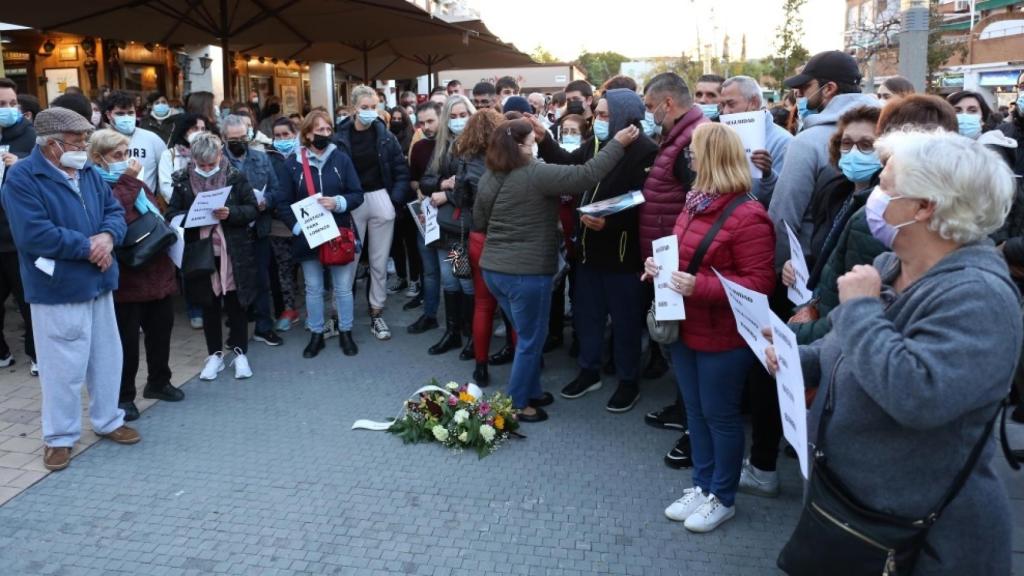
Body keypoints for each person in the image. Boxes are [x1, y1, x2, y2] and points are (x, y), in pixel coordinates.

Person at [766, 129, 1020, 574]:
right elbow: (846, 351)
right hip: (851, 511)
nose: (874, 198)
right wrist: (795, 360)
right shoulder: (891, 265)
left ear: (926, 207)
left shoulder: (979, 295)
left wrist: (860, 307)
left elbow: (918, 396)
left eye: (887, 186)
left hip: (918, 540)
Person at [645, 122, 776, 533]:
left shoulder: (749, 215)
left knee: (720, 417)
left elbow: (760, 283)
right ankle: (703, 486)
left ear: (712, 158)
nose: (689, 158)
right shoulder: (694, 202)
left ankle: (723, 496)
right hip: (688, 326)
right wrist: (658, 267)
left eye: (694, 152)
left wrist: (699, 286)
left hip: (724, 334)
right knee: (697, 415)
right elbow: (683, 254)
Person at [475, 118, 640, 423]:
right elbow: (586, 175)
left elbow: (479, 221)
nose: (535, 145)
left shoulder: (490, 175)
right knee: (530, 340)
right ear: (523, 146)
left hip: (493, 270)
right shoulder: (536, 173)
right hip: (526, 273)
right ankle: (518, 403)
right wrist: (617, 144)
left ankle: (532, 390)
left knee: (524, 334)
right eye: (531, 141)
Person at [2, 107, 140, 472]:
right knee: (62, 367)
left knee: (107, 357)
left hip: (99, 281)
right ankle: (59, 437)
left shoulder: (87, 171)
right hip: (57, 286)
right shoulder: (22, 178)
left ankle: (109, 420)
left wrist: (109, 238)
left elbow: (113, 210)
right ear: (51, 145)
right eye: (77, 141)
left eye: (84, 139)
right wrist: (89, 247)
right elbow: (33, 234)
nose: (83, 147)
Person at [536, 89, 658, 413]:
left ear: (624, 116)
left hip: (621, 255)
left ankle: (628, 381)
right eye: (597, 114)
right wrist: (544, 142)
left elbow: (644, 201)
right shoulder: (595, 143)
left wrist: (612, 224)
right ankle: (588, 371)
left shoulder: (645, 150)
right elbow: (570, 165)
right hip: (588, 251)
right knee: (587, 318)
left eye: (604, 115)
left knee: (626, 323)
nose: (598, 120)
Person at [89, 129, 183, 422]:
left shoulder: (134, 182)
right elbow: (119, 215)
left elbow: (153, 210)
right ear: (97, 158)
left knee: (160, 331)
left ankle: (158, 381)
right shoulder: (96, 184)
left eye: (127, 153)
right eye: (117, 155)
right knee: (126, 342)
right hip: (127, 276)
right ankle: (124, 395)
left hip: (156, 268)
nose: (126, 160)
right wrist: (129, 179)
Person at [638, 73, 708, 450]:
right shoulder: (677, 135)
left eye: (650, 107)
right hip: (667, 254)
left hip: (680, 259)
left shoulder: (692, 140)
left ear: (668, 103)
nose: (648, 115)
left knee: (683, 342)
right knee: (676, 345)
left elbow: (695, 200)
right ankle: (683, 409)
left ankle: (691, 422)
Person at [769, 50, 880, 275]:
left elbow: (784, 215)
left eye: (804, 89)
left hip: (806, 268)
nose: (799, 96)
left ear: (828, 89)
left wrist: (779, 266)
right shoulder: (887, 128)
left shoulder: (806, 142)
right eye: (847, 144)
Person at [167, 132, 259, 380]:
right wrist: (192, 216)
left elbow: (252, 209)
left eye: (211, 164)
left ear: (220, 155)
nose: (206, 169)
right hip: (200, 251)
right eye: (201, 165)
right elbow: (172, 214)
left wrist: (231, 213)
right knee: (208, 304)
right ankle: (214, 356)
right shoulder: (183, 180)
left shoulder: (235, 177)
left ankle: (240, 354)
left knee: (235, 303)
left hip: (234, 251)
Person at [277, 110, 364, 358]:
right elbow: (283, 201)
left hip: (339, 233)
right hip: (308, 236)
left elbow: (357, 194)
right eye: (319, 130)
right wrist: (297, 228)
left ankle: (346, 331)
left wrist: (338, 202)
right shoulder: (292, 163)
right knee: (314, 288)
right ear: (307, 133)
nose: (325, 134)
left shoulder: (341, 159)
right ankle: (316, 334)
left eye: (328, 129)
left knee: (343, 288)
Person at [427, 108, 506, 384]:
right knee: (464, 284)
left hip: (463, 234)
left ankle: (470, 339)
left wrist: (447, 191)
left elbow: (460, 197)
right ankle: (460, 334)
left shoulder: (466, 159)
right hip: (474, 235)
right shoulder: (507, 158)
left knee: (465, 285)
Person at [334, 86, 411, 341]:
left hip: (380, 196)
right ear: (354, 107)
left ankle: (376, 313)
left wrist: (393, 201)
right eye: (364, 107)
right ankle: (339, 315)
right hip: (351, 200)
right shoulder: (339, 136)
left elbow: (401, 171)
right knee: (347, 261)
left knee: (379, 263)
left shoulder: (385, 136)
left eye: (374, 107)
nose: (369, 112)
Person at [419, 94, 478, 357]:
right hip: (444, 226)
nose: (458, 121)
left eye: (462, 114)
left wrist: (449, 194)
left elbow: (477, 188)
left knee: (464, 280)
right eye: (452, 117)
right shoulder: (442, 146)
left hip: (463, 228)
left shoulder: (480, 146)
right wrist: (444, 184)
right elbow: (426, 182)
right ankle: (453, 332)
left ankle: (472, 333)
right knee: (448, 279)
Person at [222, 114, 283, 347]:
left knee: (261, 278)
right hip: (231, 229)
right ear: (224, 139)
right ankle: (236, 332)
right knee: (233, 281)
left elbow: (277, 190)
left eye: (243, 137)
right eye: (233, 139)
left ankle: (263, 326)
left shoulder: (261, 158)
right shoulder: (219, 162)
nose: (239, 142)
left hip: (259, 227)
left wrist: (266, 200)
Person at [0, 78, 37, 374]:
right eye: (1, 105)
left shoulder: (31, 137)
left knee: (27, 299)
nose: (9, 109)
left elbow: (46, 172)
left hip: (17, 235)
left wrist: (20, 164)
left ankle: (37, 353)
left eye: (12, 104)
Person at [719, 75, 793, 206]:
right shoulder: (723, 137)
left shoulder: (784, 142)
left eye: (731, 104)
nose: (725, 112)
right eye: (722, 106)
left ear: (754, 103)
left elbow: (785, 200)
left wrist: (768, 175)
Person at [407, 101, 444, 331]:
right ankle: (430, 315)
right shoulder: (419, 147)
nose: (426, 127)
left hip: (452, 223)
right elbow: (413, 179)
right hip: (426, 219)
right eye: (422, 122)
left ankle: (460, 321)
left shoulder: (456, 145)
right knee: (430, 271)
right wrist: (418, 190)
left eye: (430, 121)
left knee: (457, 273)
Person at [266, 117, 301, 332]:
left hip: (305, 220)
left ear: (295, 134)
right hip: (279, 222)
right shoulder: (268, 158)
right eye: (277, 136)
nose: (282, 139)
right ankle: (289, 309)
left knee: (309, 267)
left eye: (285, 135)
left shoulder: (304, 155)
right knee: (284, 268)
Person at [103, 91, 167, 193]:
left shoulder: (152, 139)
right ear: (109, 115)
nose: (126, 117)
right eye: (120, 114)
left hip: (147, 205)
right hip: (112, 203)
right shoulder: (100, 141)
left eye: (130, 113)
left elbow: (166, 175)